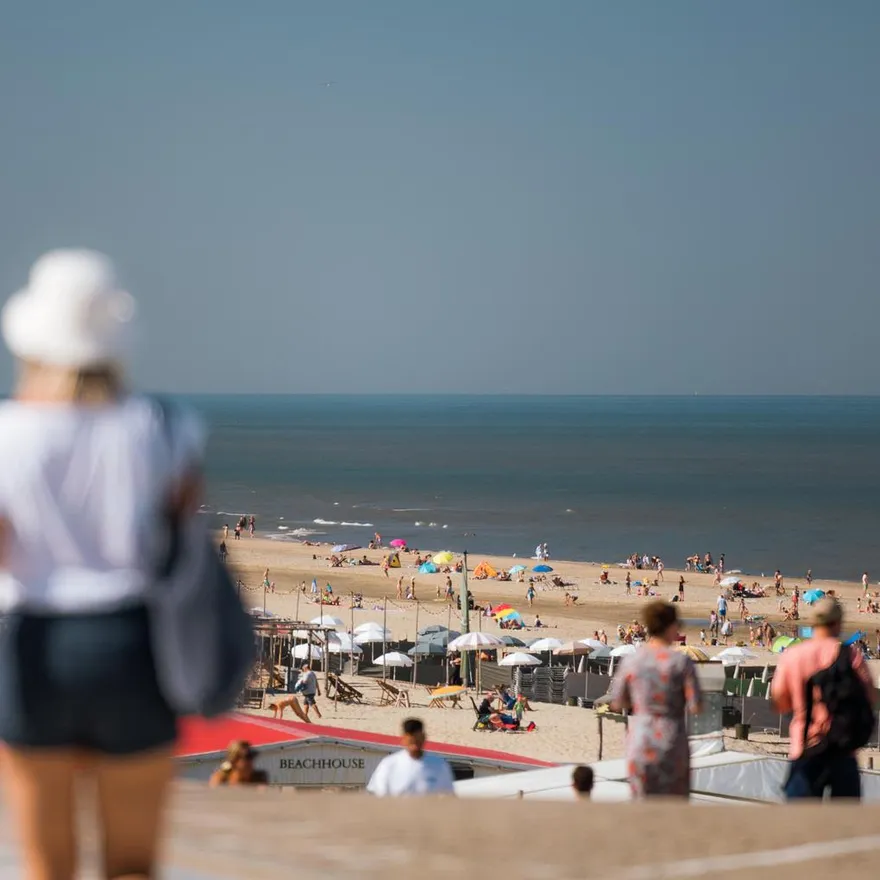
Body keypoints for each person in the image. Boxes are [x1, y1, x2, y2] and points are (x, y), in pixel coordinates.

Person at [0, 250, 204, 878]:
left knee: (48, 861)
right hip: (131, 641)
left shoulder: (6, 433)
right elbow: (178, 541)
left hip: (33, 637)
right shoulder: (167, 428)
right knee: (133, 862)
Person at [771, 597, 875, 800]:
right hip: (843, 748)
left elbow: (779, 703)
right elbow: (870, 697)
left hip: (806, 745)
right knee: (846, 827)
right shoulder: (851, 656)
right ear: (838, 622)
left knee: (800, 825)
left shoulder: (793, 655)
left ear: (812, 623)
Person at [610, 601, 702, 798]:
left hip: (641, 738)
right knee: (674, 806)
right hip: (672, 738)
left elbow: (618, 702)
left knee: (642, 803)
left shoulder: (632, 660)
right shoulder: (681, 662)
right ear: (671, 626)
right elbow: (696, 706)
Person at [367, 718, 455, 796]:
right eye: (411, 741)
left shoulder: (439, 765)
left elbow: (449, 797)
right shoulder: (389, 764)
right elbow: (376, 796)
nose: (415, 744)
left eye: (417, 740)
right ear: (403, 739)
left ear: (424, 737)